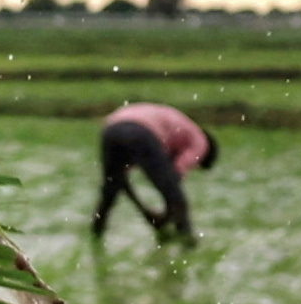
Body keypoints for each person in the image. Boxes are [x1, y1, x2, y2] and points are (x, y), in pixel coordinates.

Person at [91, 97, 213, 247]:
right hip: (141, 130)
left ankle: (96, 235)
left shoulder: (173, 136)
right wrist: (166, 215)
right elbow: (174, 177)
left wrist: (144, 210)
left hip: (111, 129)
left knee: (109, 191)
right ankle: (188, 241)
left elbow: (120, 180)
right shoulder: (201, 142)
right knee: (176, 197)